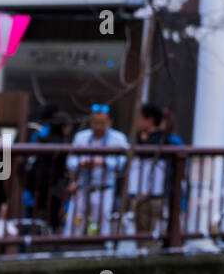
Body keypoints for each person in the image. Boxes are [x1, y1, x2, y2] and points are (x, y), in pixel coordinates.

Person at [64, 103, 129, 236]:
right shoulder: (81, 137)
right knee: (74, 223)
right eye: (95, 122)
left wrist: (104, 163)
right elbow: (70, 161)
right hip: (81, 187)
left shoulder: (119, 138)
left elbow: (122, 163)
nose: (98, 126)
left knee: (100, 224)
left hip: (104, 188)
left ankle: (100, 248)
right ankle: (70, 248)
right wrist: (80, 163)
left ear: (110, 122)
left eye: (102, 123)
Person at [126, 104, 179, 251]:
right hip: (143, 192)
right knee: (142, 235)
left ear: (150, 120)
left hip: (152, 194)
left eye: (141, 118)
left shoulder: (162, 139)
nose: (138, 122)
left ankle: (149, 260)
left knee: (147, 236)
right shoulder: (145, 138)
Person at [22, 111, 72, 233]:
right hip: (52, 187)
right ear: (63, 127)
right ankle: (49, 242)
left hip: (34, 186)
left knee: (32, 217)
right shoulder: (60, 144)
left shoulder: (40, 139)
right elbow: (62, 169)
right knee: (52, 218)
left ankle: (29, 240)